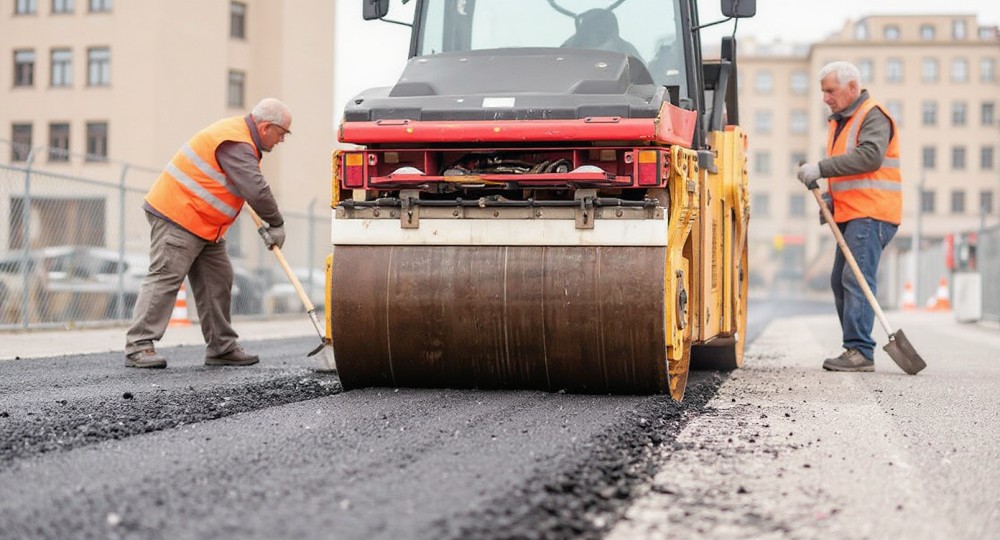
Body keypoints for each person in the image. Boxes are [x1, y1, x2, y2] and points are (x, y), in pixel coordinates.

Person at [124, 98, 291, 369]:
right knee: (166, 277)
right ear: (265, 127)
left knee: (219, 279)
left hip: (205, 225)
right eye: (281, 133)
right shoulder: (235, 141)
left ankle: (221, 348)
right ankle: (139, 346)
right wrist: (277, 223)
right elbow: (255, 188)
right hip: (179, 216)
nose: (282, 140)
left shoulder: (241, 139)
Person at [796, 61, 901, 373]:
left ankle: (860, 350)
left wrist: (821, 168)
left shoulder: (872, 115)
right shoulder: (841, 121)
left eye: (830, 90)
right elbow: (851, 172)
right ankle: (854, 347)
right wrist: (830, 197)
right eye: (823, 92)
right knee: (840, 281)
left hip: (872, 212)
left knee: (855, 279)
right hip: (854, 211)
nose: (825, 97)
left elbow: (869, 157)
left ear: (852, 87)